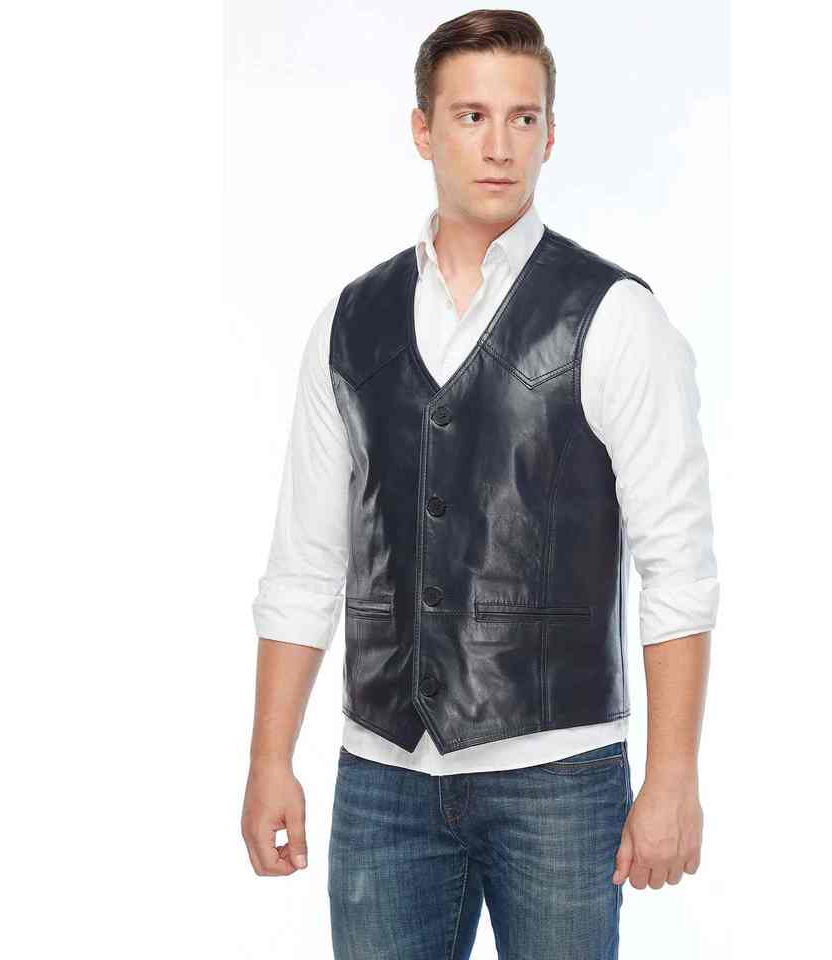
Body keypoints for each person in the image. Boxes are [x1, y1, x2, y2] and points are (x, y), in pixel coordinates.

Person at [241, 9, 719, 959]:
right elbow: (305, 561)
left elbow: (679, 565)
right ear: (423, 129)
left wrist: (672, 776)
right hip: (381, 776)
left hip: (558, 777)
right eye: (471, 116)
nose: (500, 145)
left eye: (522, 118)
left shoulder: (614, 316)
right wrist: (268, 758)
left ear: (550, 133)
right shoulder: (351, 321)